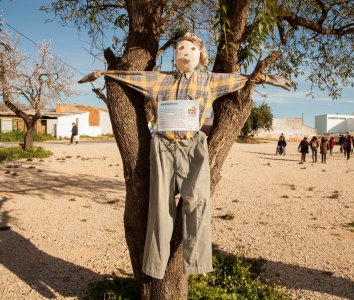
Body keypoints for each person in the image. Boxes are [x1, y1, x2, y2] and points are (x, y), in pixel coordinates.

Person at [79, 32, 292, 279]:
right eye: (180, 47)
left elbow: (240, 79)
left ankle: (197, 265)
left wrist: (267, 77)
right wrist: (103, 73)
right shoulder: (157, 80)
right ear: (174, 55)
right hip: (163, 147)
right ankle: (154, 267)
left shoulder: (209, 81)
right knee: (160, 207)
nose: (184, 51)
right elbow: (129, 76)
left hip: (193, 148)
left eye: (191, 48)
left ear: (200, 56)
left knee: (198, 202)